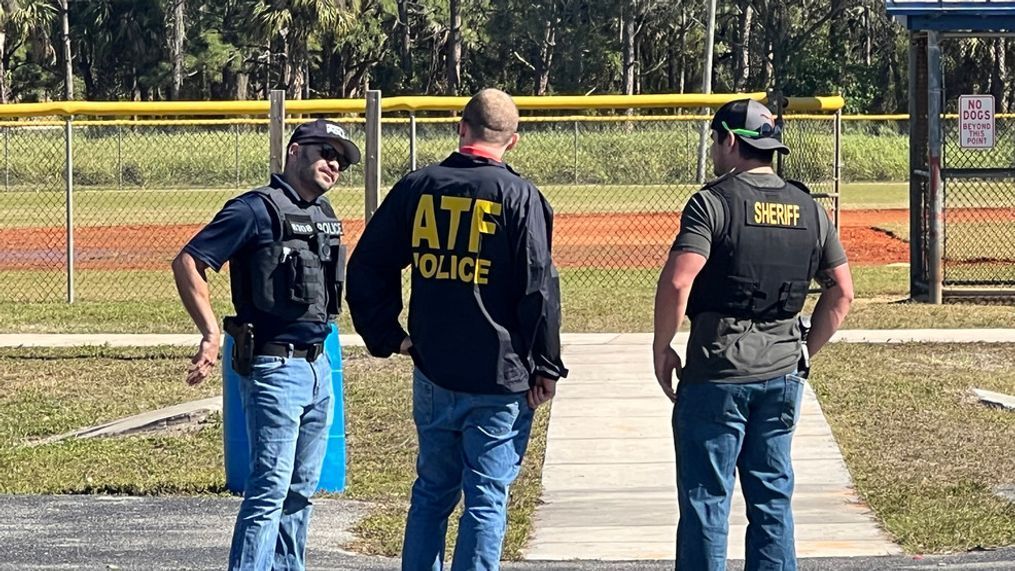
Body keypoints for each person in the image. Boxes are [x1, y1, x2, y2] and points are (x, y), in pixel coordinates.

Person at [345, 88, 567, 571]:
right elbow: (538, 289)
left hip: (434, 369)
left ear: (460, 128)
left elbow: (366, 267)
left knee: (431, 493)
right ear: (514, 141)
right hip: (499, 377)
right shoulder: (519, 195)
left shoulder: (418, 186)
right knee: (485, 497)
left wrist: (388, 334)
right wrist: (546, 364)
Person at [652, 99, 854, 571]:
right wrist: (804, 350)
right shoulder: (810, 207)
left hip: (717, 373)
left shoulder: (712, 202)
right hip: (782, 372)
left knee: (707, 501)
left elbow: (680, 279)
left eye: (715, 140)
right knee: (772, 500)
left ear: (730, 140)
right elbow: (842, 292)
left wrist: (663, 346)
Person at [172, 118, 360, 570]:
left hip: (319, 369)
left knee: (300, 493)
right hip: (275, 368)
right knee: (269, 492)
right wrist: (211, 333)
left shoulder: (324, 215)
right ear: (295, 150)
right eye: (324, 151)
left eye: (341, 159)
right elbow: (189, 262)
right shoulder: (255, 210)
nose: (333, 163)